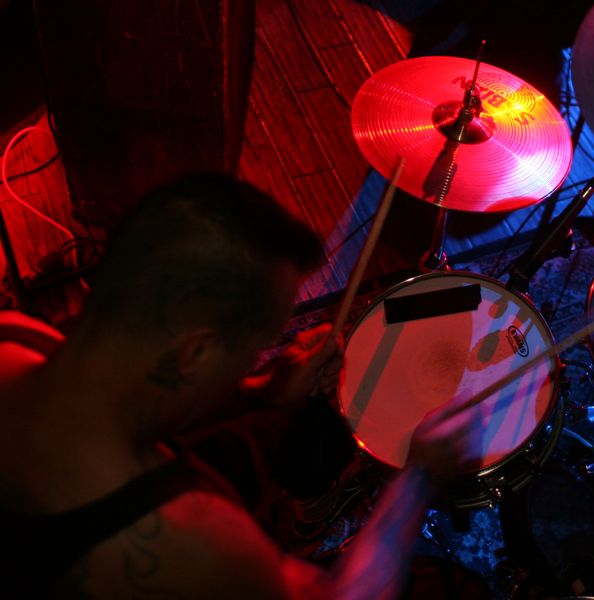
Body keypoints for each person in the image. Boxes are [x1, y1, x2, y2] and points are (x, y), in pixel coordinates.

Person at [0, 173, 482, 599]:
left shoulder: (15, 338)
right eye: (256, 350)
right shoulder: (190, 541)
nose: (255, 360)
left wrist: (259, 389)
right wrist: (419, 478)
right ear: (197, 353)